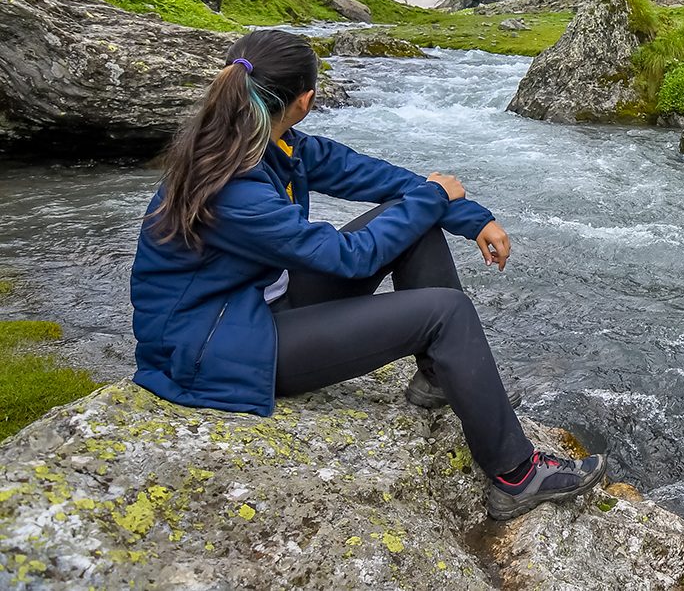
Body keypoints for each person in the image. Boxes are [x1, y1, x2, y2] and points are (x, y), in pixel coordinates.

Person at [129, 29, 605, 520]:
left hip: (250, 306)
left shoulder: (266, 143)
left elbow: (384, 181)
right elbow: (350, 258)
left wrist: (472, 217)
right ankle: (517, 477)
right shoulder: (234, 188)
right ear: (306, 100)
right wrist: (435, 197)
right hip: (219, 347)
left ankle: (439, 377)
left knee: (412, 225)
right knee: (447, 312)